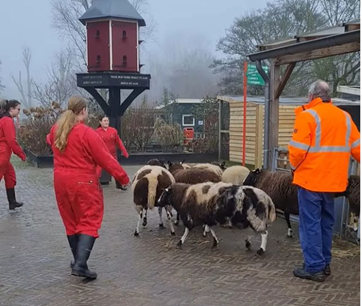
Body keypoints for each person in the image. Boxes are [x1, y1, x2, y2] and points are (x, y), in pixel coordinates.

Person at [47, 96, 130, 280]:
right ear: (83, 111)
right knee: (89, 219)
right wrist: (122, 177)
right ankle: (80, 264)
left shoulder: (56, 129)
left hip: (60, 181)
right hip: (83, 181)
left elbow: (49, 140)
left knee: (71, 221)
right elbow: (105, 158)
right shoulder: (86, 133)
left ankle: (78, 260)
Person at [288, 80, 360, 282]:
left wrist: (294, 169)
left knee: (310, 224)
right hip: (334, 184)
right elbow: (358, 149)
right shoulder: (345, 117)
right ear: (330, 97)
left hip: (310, 182)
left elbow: (296, 152)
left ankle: (314, 267)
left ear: (312, 96)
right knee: (326, 224)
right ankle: (324, 263)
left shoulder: (307, 116)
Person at [0, 99, 26, 210]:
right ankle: (12, 202)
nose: (19, 112)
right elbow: (11, 140)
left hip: (3, 153)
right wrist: (21, 154)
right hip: (3, 154)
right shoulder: (7, 120)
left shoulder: (4, 119)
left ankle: (12, 202)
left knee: (10, 175)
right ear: (11, 109)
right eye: (18, 109)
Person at [95, 115, 129, 189]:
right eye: (104, 121)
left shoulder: (113, 130)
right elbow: (94, 144)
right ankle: (93, 184)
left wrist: (124, 151)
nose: (106, 122)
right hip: (102, 155)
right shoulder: (96, 132)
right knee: (97, 171)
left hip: (112, 154)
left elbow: (118, 142)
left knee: (116, 169)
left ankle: (120, 184)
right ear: (100, 122)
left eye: (107, 121)